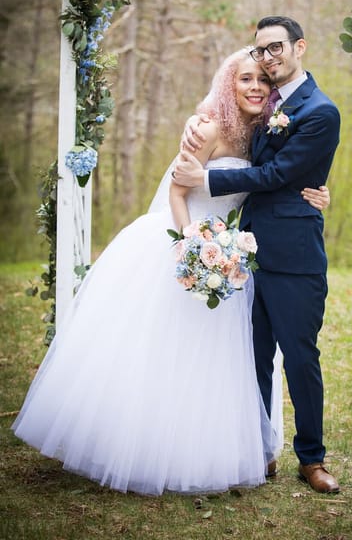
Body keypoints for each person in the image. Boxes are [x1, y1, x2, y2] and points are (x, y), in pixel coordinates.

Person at [13, 48, 330, 496]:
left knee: (212, 358)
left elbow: (277, 176)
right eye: (244, 79)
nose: (255, 86)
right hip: (178, 244)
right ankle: (136, 445)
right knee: (157, 349)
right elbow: (178, 193)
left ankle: (211, 445)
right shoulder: (208, 128)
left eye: (262, 79)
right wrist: (193, 245)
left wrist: (318, 193)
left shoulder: (262, 135)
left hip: (223, 254)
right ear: (229, 84)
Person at [174, 17, 341, 493]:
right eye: (261, 50)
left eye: (276, 48)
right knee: (252, 357)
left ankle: (312, 458)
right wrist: (197, 117)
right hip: (244, 252)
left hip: (294, 254)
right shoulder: (266, 103)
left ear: (299, 47)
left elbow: (278, 174)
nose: (269, 58)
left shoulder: (319, 111)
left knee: (300, 357)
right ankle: (259, 448)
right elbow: (230, 125)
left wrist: (206, 181)